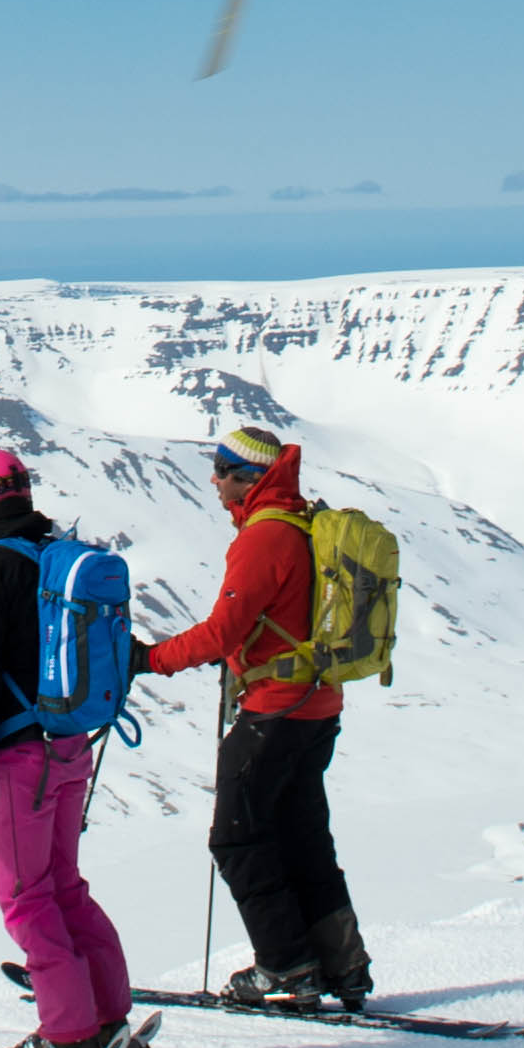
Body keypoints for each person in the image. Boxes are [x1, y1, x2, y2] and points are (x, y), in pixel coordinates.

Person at [126, 422, 370, 1009]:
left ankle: (285, 968)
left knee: (237, 840)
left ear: (249, 478)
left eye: (222, 469)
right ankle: (342, 967)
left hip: (274, 710)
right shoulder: (304, 523)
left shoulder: (265, 538)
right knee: (303, 836)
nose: (213, 480)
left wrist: (149, 660)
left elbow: (222, 632)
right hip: (317, 706)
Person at [0, 447, 152, 1048]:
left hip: (20, 753)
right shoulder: (55, 558)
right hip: (71, 744)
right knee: (63, 886)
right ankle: (110, 1020)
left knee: (25, 897)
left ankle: (69, 1034)